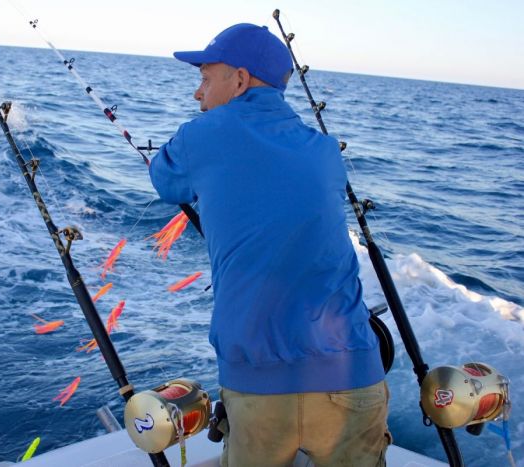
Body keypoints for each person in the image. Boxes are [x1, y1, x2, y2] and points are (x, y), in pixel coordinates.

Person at [148, 23, 390, 467]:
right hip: (355, 374)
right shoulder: (324, 149)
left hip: (259, 384)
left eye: (204, 78)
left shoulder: (200, 135)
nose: (197, 94)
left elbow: (165, 181)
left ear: (239, 80)